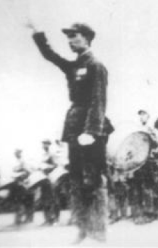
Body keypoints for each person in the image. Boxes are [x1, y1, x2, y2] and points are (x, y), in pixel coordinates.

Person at [30, 22, 112, 242]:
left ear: (86, 38)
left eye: (73, 36)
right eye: (68, 37)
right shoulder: (74, 65)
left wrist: (91, 131)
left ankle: (99, 230)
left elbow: (99, 101)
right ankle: (83, 228)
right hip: (74, 128)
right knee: (76, 179)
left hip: (89, 129)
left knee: (93, 179)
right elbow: (50, 56)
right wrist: (37, 33)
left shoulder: (96, 65)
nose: (69, 40)